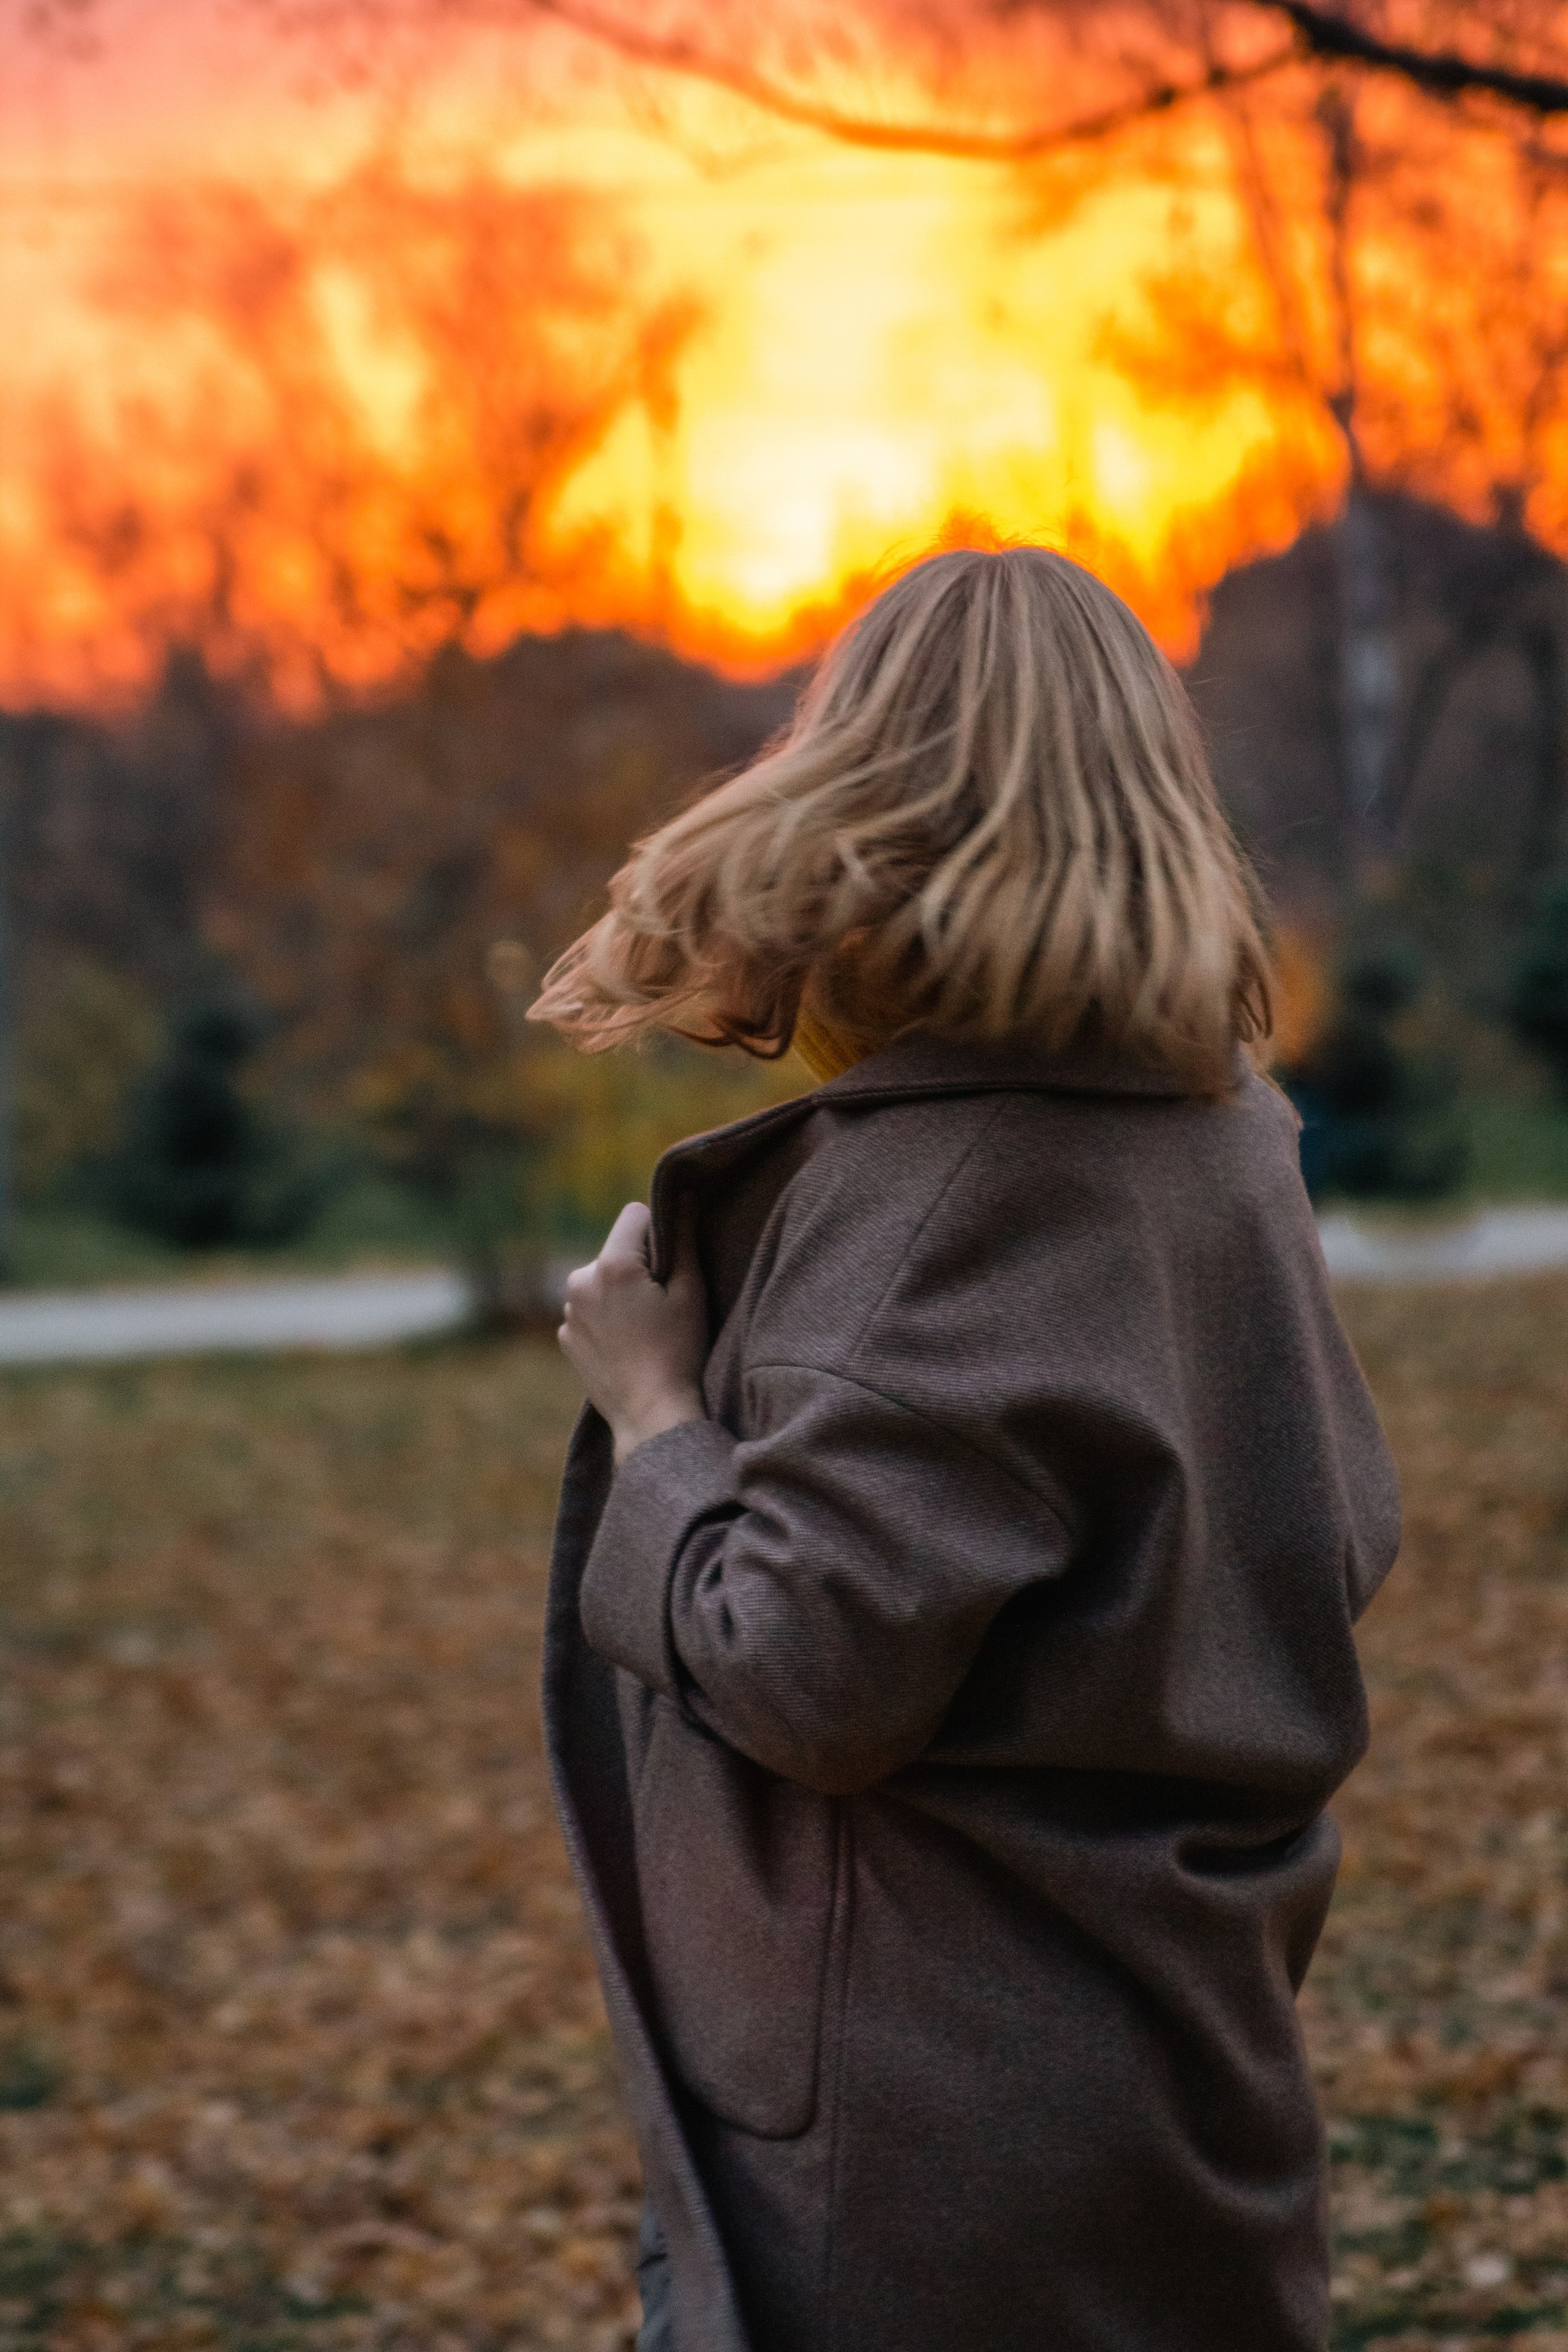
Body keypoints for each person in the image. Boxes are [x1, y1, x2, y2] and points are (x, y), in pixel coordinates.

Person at [529, 545, 1400, 2352]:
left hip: (927, 2135)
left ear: (873, 790)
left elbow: (807, 1669)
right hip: (1182, 2054)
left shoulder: (944, 1191)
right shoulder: (1223, 1137)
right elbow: (1332, 1536)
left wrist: (654, 1408)